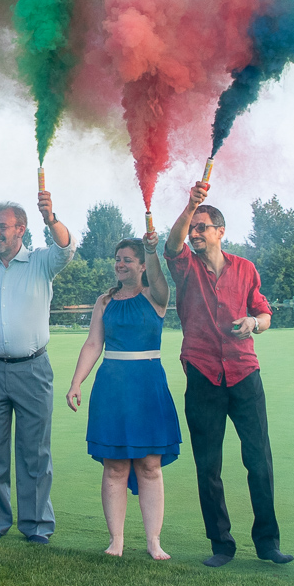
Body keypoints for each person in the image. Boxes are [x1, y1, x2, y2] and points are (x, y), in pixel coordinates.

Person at [163, 181, 292, 566]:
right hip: (203, 374)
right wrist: (189, 208)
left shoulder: (246, 269)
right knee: (209, 464)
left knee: (259, 460)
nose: (195, 233)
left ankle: (267, 544)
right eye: (193, 227)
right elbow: (170, 246)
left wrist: (253, 323)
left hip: (243, 373)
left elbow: (265, 314)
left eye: (203, 227)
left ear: (221, 232)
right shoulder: (184, 266)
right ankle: (221, 545)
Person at [0, 184, 74, 543]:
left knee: (35, 452)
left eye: (2, 227)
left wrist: (51, 218)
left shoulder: (42, 262)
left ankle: (37, 526)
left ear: (21, 229)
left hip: (33, 369)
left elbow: (67, 248)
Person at [66, 236, 179, 560]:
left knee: (150, 465)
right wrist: (76, 382)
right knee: (114, 466)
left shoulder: (156, 296)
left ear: (142, 265)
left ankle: (153, 541)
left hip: (148, 385)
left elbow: (159, 278)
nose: (120, 263)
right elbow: (92, 344)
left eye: (128, 259)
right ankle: (116, 540)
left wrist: (154, 249)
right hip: (112, 387)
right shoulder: (105, 301)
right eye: (118, 258)